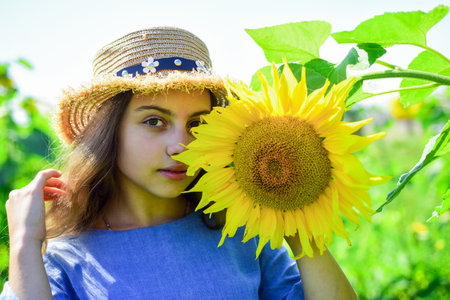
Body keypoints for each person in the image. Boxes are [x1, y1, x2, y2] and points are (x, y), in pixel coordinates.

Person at [1, 27, 357, 299]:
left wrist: (299, 228)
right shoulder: (60, 258)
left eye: (198, 124)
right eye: (154, 121)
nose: (181, 146)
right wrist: (24, 242)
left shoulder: (240, 233)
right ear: (107, 132)